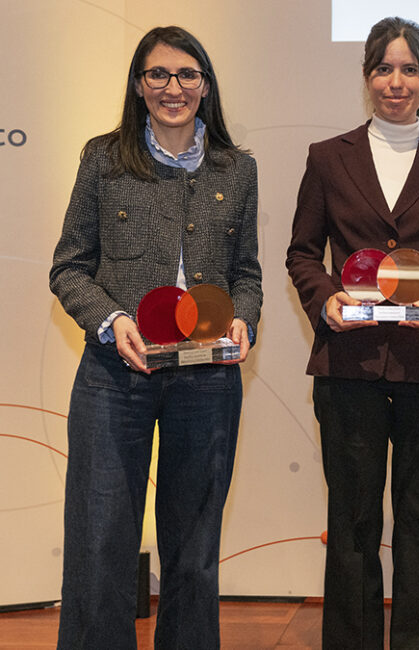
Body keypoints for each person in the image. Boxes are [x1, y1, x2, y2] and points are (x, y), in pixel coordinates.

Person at [48, 25, 261, 648]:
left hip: (208, 380)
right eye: (158, 75)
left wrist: (244, 316)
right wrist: (113, 323)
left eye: (187, 75)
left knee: (194, 552)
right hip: (115, 377)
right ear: (140, 87)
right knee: (100, 542)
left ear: (206, 85)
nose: (174, 88)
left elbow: (245, 276)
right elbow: (69, 268)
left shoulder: (237, 168)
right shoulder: (104, 158)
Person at [286, 16, 419, 650]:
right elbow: (300, 253)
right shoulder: (327, 158)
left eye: (408, 69)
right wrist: (326, 299)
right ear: (366, 75)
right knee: (351, 521)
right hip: (349, 363)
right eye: (383, 68)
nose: (395, 82)